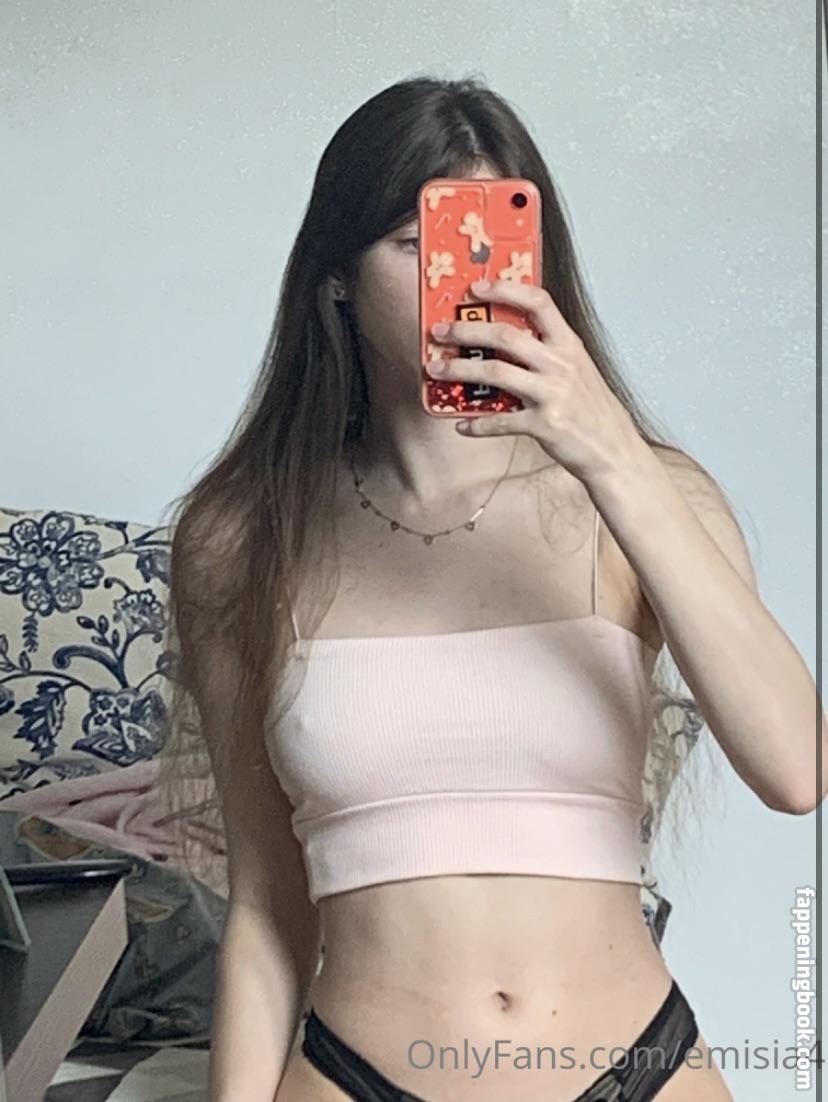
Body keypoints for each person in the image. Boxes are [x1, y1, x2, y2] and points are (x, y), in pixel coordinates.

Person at [161, 75, 825, 1102]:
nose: (468, 283)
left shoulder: (647, 494)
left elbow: (795, 769)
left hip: (636, 1069)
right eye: (418, 241)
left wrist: (610, 453)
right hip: (356, 1075)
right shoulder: (241, 536)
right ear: (335, 277)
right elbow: (266, 907)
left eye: (496, 241)